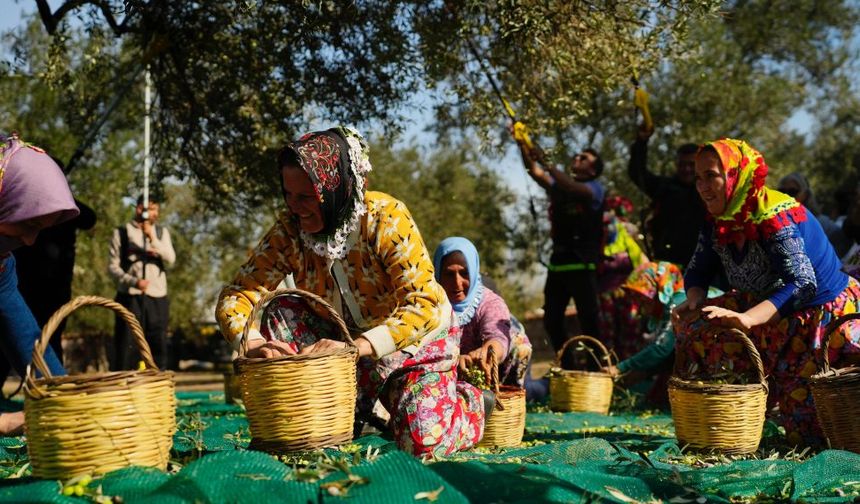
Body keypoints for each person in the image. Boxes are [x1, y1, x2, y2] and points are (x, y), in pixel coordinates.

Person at [216, 127, 485, 457]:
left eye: (305, 197)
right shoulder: (289, 231)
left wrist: (359, 346)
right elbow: (237, 294)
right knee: (283, 307)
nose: (294, 207)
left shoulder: (385, 219)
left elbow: (424, 305)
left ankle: (468, 404)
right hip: (342, 351)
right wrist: (253, 342)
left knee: (422, 443)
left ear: (335, 191)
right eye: (288, 195)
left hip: (414, 345)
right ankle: (357, 411)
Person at [673, 138, 860, 447]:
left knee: (815, 434)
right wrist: (694, 301)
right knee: (702, 328)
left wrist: (747, 319)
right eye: (698, 178)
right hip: (768, 309)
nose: (703, 186)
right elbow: (698, 269)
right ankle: (728, 422)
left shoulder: (772, 216)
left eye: (711, 175)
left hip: (818, 316)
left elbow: (802, 283)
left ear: (735, 174)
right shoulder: (718, 219)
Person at [0, 133, 78, 434]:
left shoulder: (3, 265)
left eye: (39, 229)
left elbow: (30, 346)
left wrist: (66, 399)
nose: (30, 241)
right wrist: (6, 423)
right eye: (27, 223)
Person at [513, 135, 605, 369]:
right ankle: (569, 368)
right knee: (552, 320)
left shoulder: (594, 190)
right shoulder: (559, 188)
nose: (577, 158)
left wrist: (546, 161)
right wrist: (523, 144)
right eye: (576, 155)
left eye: (583, 158)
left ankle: (598, 371)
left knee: (589, 322)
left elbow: (571, 186)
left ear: (593, 169)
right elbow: (534, 172)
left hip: (583, 266)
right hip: (558, 265)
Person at [433, 237, 533, 387]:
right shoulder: (430, 305)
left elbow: (497, 336)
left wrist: (484, 353)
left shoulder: (489, 302)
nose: (457, 283)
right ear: (438, 273)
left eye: (464, 273)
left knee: (531, 391)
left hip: (499, 373)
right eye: (449, 274)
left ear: (474, 271)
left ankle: (542, 386)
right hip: (451, 374)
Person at [604, 262, 690, 406]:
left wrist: (621, 368)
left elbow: (662, 348)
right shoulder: (675, 300)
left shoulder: (679, 302)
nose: (637, 302)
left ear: (658, 288)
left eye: (641, 296)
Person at [108, 195, 175, 370]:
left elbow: (171, 258)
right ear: (139, 209)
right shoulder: (121, 233)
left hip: (157, 296)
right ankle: (124, 385)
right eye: (150, 208)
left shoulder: (161, 232)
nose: (153, 213)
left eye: (155, 209)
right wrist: (133, 281)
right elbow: (113, 267)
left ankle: (157, 384)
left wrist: (152, 237)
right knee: (127, 344)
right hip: (130, 296)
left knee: (158, 343)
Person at [628, 123, 705, 266]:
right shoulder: (664, 187)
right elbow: (637, 173)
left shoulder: (712, 192)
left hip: (704, 266)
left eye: (691, 164)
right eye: (682, 164)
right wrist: (641, 142)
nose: (686, 169)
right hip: (668, 262)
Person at [597, 195, 647, 360]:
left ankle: (632, 372)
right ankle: (610, 371)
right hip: (604, 299)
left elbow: (643, 264)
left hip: (628, 295)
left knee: (631, 333)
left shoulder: (626, 236)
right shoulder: (595, 243)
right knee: (607, 336)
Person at [778, 172, 852, 257]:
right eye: (782, 191)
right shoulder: (775, 222)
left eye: (793, 191)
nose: (786, 195)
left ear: (805, 194)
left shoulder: (824, 225)